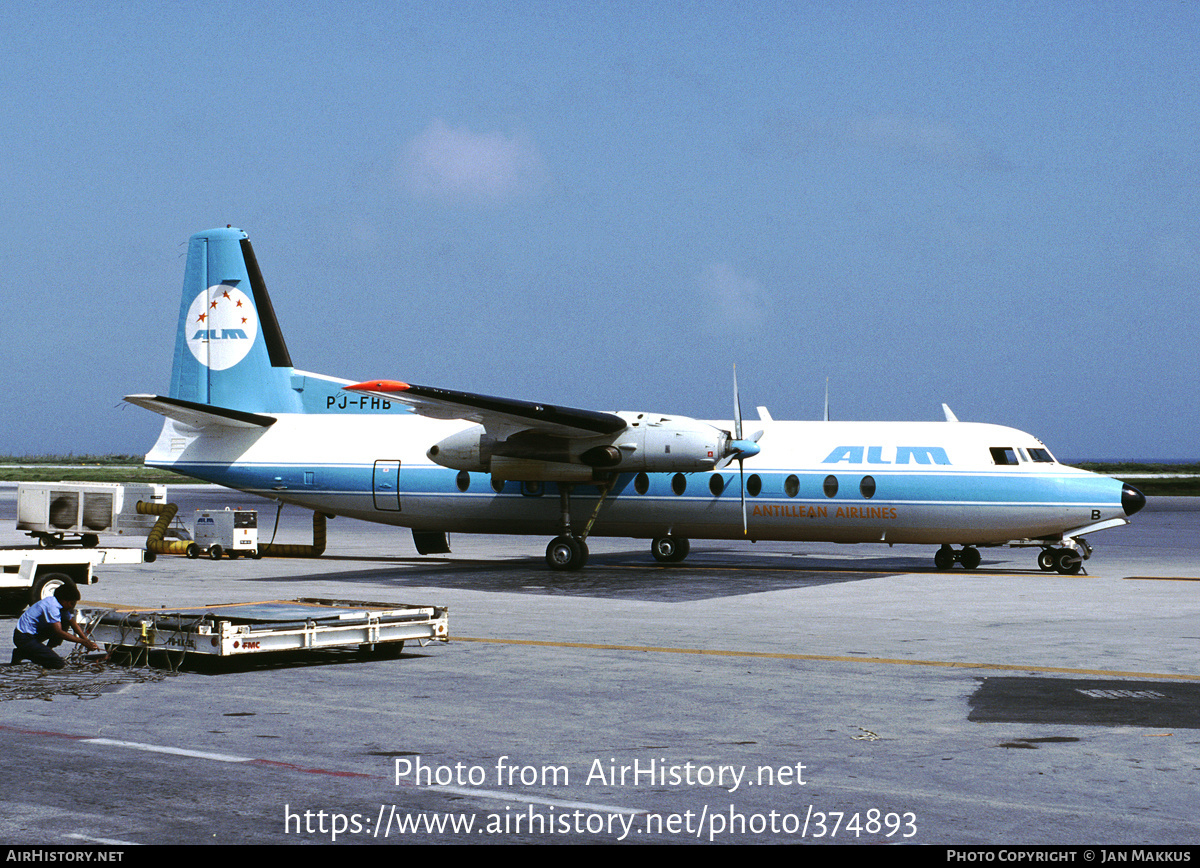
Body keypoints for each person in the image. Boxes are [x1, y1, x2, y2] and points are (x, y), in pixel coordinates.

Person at [10, 583, 100, 668]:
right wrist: (83, 642)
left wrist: (86, 640)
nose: (72, 606)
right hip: (23, 638)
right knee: (58, 663)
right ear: (63, 600)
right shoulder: (52, 606)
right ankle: (25, 653)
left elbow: (72, 622)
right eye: (72, 603)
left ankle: (45, 650)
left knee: (65, 622)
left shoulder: (59, 605)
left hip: (33, 634)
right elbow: (59, 632)